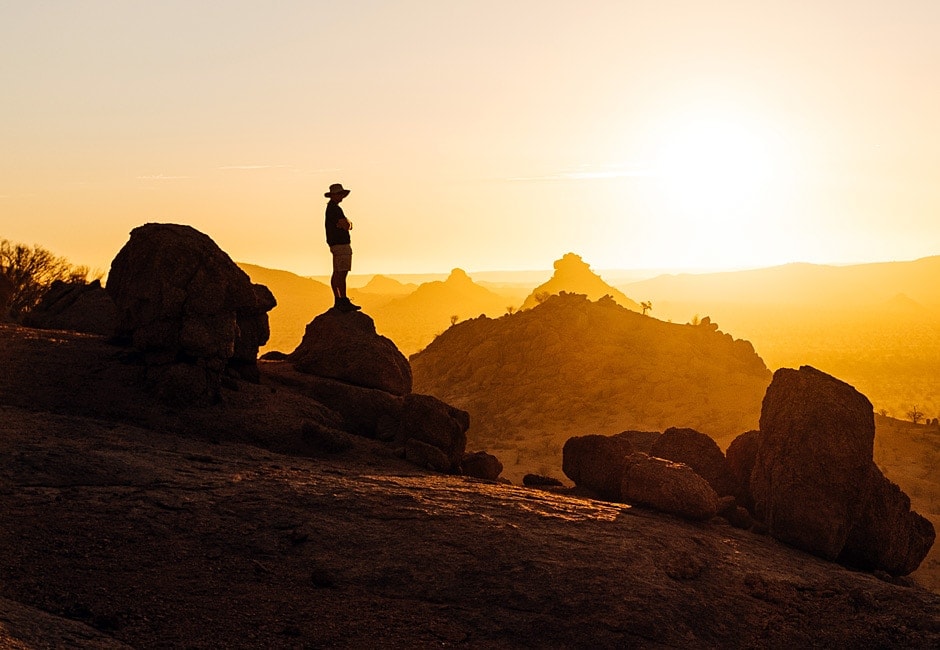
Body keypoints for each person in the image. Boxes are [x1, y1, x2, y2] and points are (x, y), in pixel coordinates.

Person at [324, 183, 361, 312]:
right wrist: (347, 223)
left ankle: (339, 299)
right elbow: (347, 225)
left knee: (338, 272)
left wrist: (347, 223)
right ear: (334, 195)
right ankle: (342, 300)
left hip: (336, 244)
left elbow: (346, 224)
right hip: (341, 245)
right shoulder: (335, 209)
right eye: (340, 194)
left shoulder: (331, 208)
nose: (341, 197)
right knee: (341, 273)